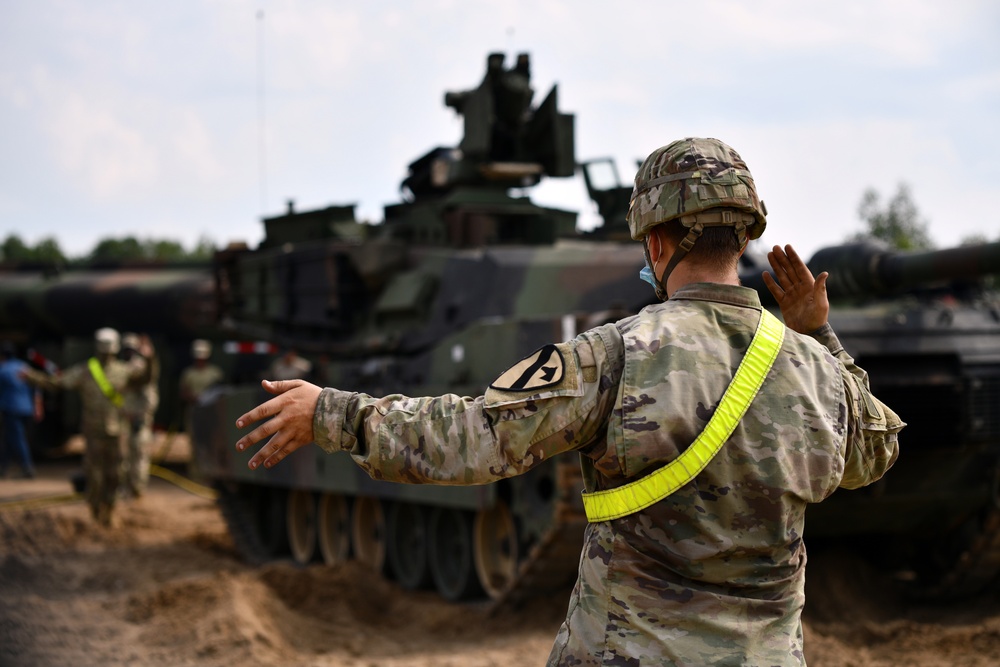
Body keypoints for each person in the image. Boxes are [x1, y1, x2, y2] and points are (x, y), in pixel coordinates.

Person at [233, 138, 904, 665]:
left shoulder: (612, 355)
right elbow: (876, 449)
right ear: (746, 238)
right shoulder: (813, 368)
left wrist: (336, 412)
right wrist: (819, 332)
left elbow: (469, 439)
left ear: (658, 241)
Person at [23, 328, 152, 526]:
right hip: (94, 432)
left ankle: (108, 511)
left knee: (115, 474)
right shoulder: (87, 370)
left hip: (117, 432)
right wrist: (33, 377)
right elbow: (58, 382)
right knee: (95, 475)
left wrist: (150, 360)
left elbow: (145, 378)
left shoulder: (122, 371)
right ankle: (96, 512)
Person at [120, 332, 159, 496]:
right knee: (124, 457)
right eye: (126, 349)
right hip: (126, 418)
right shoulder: (122, 366)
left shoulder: (140, 365)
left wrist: (150, 358)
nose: (129, 352)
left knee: (139, 456)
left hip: (139, 418)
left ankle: (136, 491)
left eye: (132, 349)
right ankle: (127, 489)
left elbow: (148, 377)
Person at [0, 342, 42, 479]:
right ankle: (3, 467)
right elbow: (36, 389)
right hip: (27, 408)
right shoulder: (25, 368)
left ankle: (27, 467)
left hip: (11, 409)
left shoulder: (3, 369)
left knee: (17, 438)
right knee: (10, 438)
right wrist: (38, 407)